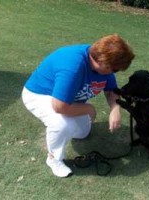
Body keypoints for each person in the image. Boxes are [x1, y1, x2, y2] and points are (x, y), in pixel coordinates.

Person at [21, 34, 135, 178]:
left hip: (69, 100)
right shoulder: (73, 66)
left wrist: (115, 108)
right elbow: (59, 106)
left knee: (82, 133)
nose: (115, 73)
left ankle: (62, 130)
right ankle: (54, 159)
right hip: (40, 95)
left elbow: (111, 90)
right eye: (115, 70)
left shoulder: (103, 65)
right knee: (62, 124)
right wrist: (89, 109)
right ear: (102, 62)